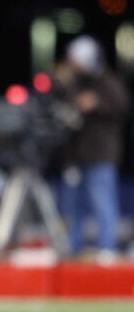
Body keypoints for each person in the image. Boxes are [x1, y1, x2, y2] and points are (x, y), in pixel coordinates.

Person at [54, 35, 130, 265]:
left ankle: (107, 248)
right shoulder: (74, 84)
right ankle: (73, 248)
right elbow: (63, 111)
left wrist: (96, 103)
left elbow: (122, 106)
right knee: (73, 206)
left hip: (101, 155)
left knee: (103, 203)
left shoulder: (108, 82)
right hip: (76, 156)